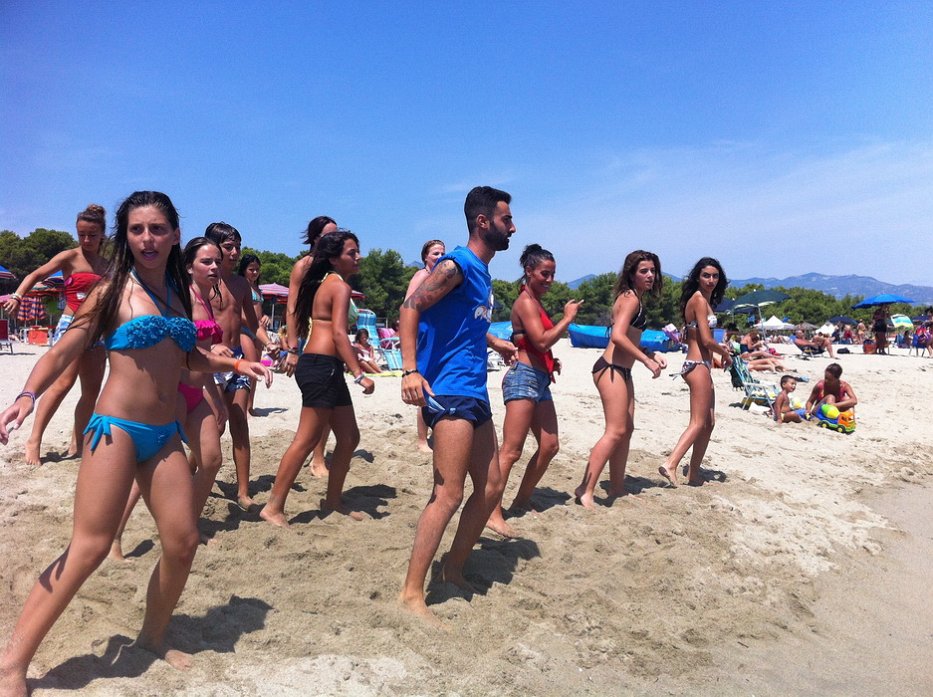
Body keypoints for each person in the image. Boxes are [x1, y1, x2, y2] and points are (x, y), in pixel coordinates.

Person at [0, 191, 271, 695]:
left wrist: (235, 363)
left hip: (165, 435)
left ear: (174, 234)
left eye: (157, 229)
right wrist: (26, 395)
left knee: (182, 543)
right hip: (116, 430)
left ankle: (151, 637)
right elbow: (63, 349)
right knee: (89, 547)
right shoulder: (112, 291)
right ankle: (12, 666)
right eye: (137, 230)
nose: (148, 238)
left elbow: (187, 360)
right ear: (126, 237)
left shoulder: (177, 293)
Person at [398, 186, 517, 623]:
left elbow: (461, 324)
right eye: (506, 219)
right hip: (448, 389)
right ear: (483, 222)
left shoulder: (482, 273)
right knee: (448, 493)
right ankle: (412, 593)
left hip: (474, 389)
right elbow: (410, 307)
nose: (513, 227)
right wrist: (409, 370)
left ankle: (453, 567)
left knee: (491, 486)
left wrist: (495, 342)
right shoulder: (457, 264)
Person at [109, 237, 230, 560]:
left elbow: (204, 363)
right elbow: (174, 352)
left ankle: (189, 525)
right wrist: (210, 353)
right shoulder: (180, 298)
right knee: (151, 466)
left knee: (212, 461)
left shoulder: (208, 299)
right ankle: (115, 535)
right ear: (189, 266)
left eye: (217, 262)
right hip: (173, 393)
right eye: (206, 261)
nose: (214, 267)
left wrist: (217, 400)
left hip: (198, 393)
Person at [260, 230, 375, 527]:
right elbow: (339, 334)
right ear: (335, 259)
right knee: (306, 438)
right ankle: (273, 507)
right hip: (321, 366)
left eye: (357, 250)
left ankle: (333, 500)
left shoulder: (327, 283)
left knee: (349, 437)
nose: (358, 256)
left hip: (325, 366)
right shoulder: (338, 286)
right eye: (351, 252)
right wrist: (359, 374)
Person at [485, 244, 582, 535]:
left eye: (552, 274)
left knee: (550, 445)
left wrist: (551, 360)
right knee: (511, 450)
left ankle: (521, 500)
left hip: (539, 378)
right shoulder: (526, 302)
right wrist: (567, 318)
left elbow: (537, 344)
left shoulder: (535, 302)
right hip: (523, 378)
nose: (550, 280)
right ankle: (491, 511)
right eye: (544, 274)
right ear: (529, 271)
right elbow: (540, 341)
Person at [2, 204, 109, 465]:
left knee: (91, 391)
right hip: (71, 324)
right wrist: (17, 296)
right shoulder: (69, 257)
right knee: (62, 384)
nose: (86, 240)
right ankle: (34, 440)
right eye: (81, 234)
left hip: (98, 331)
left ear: (102, 235)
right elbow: (36, 274)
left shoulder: (108, 265)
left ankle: (78, 443)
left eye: (92, 235)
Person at [574, 250, 665, 508]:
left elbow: (630, 338)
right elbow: (617, 336)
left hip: (622, 371)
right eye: (644, 271)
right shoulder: (630, 298)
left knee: (626, 430)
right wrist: (646, 360)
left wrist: (650, 353)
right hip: (611, 369)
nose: (650, 275)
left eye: (652, 271)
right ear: (631, 274)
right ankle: (585, 488)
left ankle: (617, 487)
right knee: (614, 432)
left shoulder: (636, 298)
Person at [658, 257, 733, 488]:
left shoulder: (703, 301)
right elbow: (707, 340)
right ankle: (671, 463)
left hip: (702, 364)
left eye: (715, 276)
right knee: (698, 422)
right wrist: (726, 353)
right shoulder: (699, 300)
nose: (711, 280)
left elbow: (694, 336)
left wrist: (716, 356)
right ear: (697, 277)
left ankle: (693, 473)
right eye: (706, 275)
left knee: (709, 422)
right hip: (697, 365)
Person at [204, 222, 263, 508]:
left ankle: (243, 492)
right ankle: (193, 473)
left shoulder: (241, 285)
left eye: (238, 246)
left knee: (239, 421)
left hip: (237, 358)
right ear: (213, 247)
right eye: (229, 247)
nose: (235, 252)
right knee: (215, 425)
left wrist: (276, 344)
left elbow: (253, 324)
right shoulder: (204, 282)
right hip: (211, 361)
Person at [283, 215, 339, 476]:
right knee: (316, 401)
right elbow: (291, 308)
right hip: (309, 337)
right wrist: (293, 348)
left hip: (331, 339)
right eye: (330, 234)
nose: (335, 238)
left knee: (328, 400)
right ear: (315, 238)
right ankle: (314, 457)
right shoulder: (304, 266)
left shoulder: (335, 266)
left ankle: (319, 456)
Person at [405, 239, 446, 452]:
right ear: (425, 258)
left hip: (436, 334)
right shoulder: (422, 275)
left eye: (442, 253)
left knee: (434, 385)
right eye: (435, 254)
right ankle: (422, 440)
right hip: (424, 333)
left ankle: (433, 434)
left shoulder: (441, 278)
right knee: (424, 387)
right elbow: (408, 305)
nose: (440, 257)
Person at [238, 253, 272, 415]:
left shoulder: (257, 289)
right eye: (251, 269)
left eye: (257, 269)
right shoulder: (240, 285)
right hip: (245, 329)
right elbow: (238, 311)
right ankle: (243, 404)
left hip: (258, 330)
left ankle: (250, 405)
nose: (255, 272)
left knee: (257, 369)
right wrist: (254, 322)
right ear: (244, 269)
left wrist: (265, 317)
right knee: (250, 366)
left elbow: (259, 310)